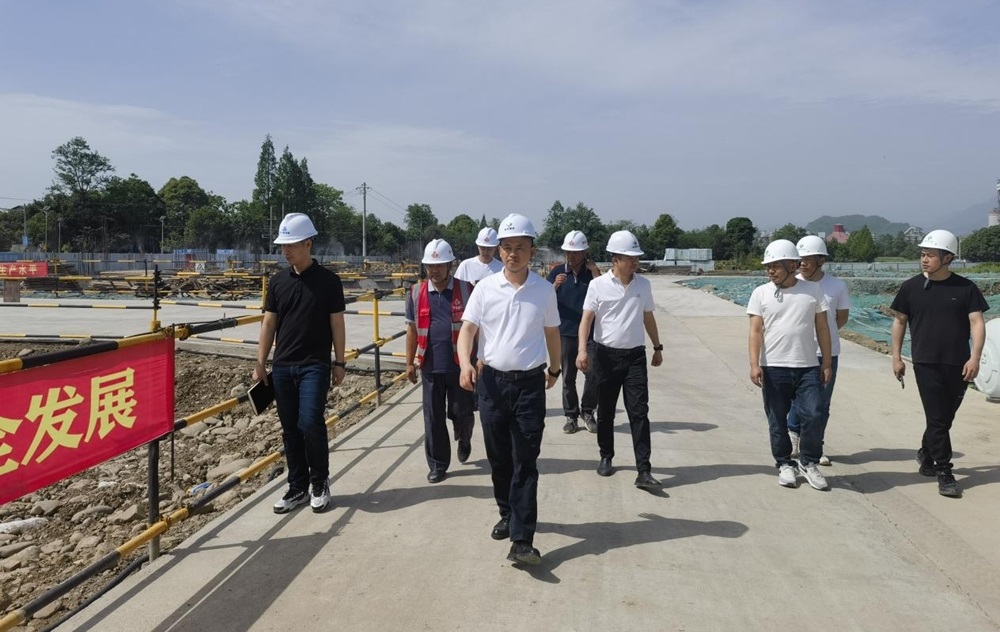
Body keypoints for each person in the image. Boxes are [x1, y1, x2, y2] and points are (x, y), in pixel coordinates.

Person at [457, 213, 561, 566]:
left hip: (530, 385)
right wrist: (465, 363)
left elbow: (551, 333)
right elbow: (467, 330)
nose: (513, 253)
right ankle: (507, 512)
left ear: (532, 250)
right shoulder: (485, 289)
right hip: (492, 384)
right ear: (499, 251)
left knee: (525, 461)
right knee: (499, 458)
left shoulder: (544, 290)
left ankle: (522, 539)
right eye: (507, 247)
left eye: (520, 247)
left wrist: (555, 368)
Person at [254, 213, 347, 514]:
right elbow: (269, 324)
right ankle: (297, 487)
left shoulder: (329, 282)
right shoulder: (277, 282)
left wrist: (340, 362)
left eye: (291, 244)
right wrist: (260, 362)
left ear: (308, 243)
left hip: (314, 365)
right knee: (290, 430)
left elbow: (337, 324)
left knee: (310, 422)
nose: (286, 251)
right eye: (283, 245)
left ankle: (319, 483)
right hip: (282, 367)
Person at [890, 229, 987, 498]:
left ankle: (926, 453)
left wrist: (975, 357)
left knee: (945, 417)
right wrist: (896, 357)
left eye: (930, 255)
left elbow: (977, 322)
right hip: (926, 362)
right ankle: (944, 471)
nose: (924, 259)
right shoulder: (910, 287)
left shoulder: (966, 288)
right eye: (923, 254)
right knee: (937, 417)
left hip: (959, 363)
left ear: (947, 258)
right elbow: (899, 321)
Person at [576, 230, 663, 490]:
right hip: (605, 357)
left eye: (636, 257)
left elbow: (648, 317)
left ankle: (644, 470)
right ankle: (606, 456)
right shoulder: (598, 285)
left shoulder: (643, 285)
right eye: (630, 257)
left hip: (635, 357)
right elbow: (586, 319)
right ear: (615, 259)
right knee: (605, 412)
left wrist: (657, 347)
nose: (635, 262)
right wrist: (582, 350)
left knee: (639, 413)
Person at [747, 239, 832, 491]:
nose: (770, 271)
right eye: (768, 266)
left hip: (807, 366)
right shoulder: (760, 293)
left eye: (776, 266)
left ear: (792, 265)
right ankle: (785, 463)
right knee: (777, 420)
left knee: (814, 414)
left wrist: (826, 363)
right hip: (773, 367)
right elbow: (755, 331)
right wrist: (754, 364)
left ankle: (809, 462)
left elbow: (823, 328)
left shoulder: (813, 291)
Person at [404, 238, 476, 484]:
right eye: (430, 266)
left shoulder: (467, 290)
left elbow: (479, 328)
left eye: (439, 265)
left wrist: (479, 360)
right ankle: (438, 464)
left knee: (462, 412)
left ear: (450, 265)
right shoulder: (416, 293)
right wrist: (409, 363)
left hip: (460, 366)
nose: (433, 270)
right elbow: (412, 330)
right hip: (430, 365)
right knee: (433, 417)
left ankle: (464, 437)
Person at [786, 235, 851, 466]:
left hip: (826, 353)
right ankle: (793, 435)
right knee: (797, 399)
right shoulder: (791, 283)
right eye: (799, 259)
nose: (802, 263)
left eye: (808, 259)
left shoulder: (837, 286)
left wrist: (824, 337)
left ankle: (814, 445)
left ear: (821, 260)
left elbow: (841, 317)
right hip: (798, 351)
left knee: (821, 403)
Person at [548, 230, 601, 434]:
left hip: (590, 334)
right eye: (568, 252)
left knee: (593, 374)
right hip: (566, 332)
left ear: (585, 252)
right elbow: (544, 298)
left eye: (575, 252)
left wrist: (595, 274)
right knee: (568, 377)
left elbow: (605, 296)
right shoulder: (557, 272)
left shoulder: (592, 274)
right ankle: (571, 416)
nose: (570, 256)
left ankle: (587, 412)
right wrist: (555, 285)